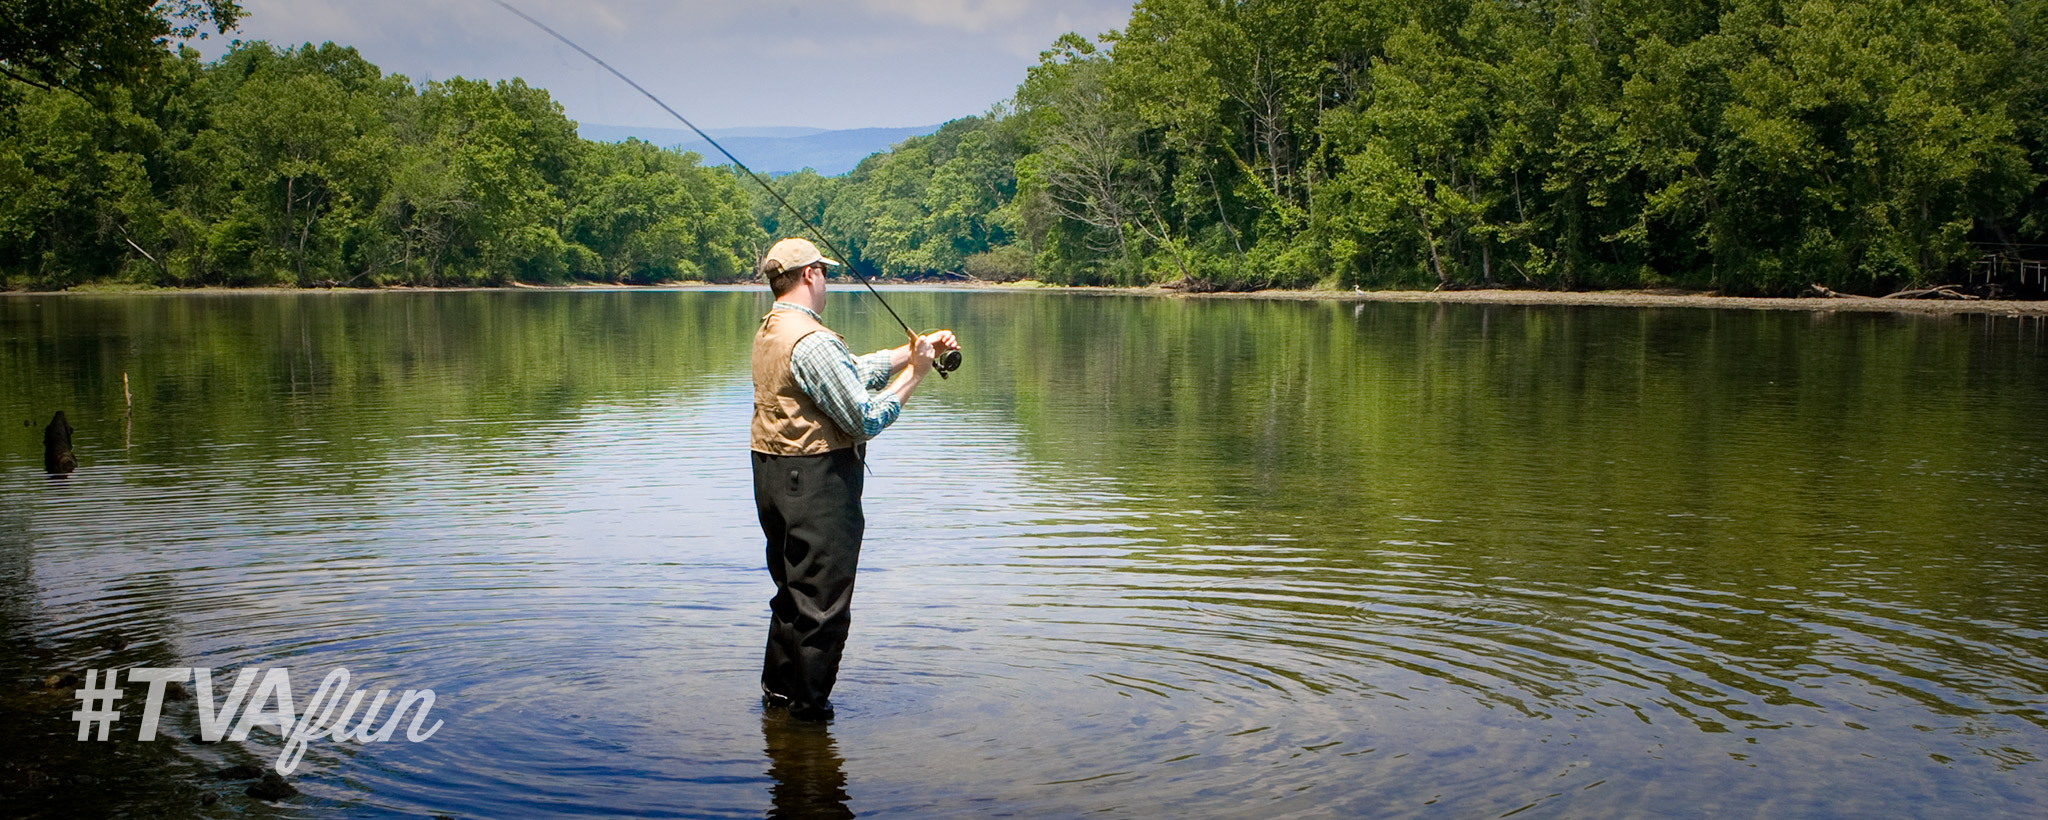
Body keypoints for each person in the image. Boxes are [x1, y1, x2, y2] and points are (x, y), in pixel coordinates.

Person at [750, 236, 958, 721]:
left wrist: (909, 353)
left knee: (791, 597)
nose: (827, 280)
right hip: (817, 484)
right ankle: (807, 719)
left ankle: (778, 703)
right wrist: (917, 376)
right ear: (809, 276)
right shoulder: (813, 339)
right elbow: (863, 418)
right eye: (824, 272)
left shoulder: (772, 330)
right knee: (822, 607)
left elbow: (843, 373)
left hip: (773, 477)